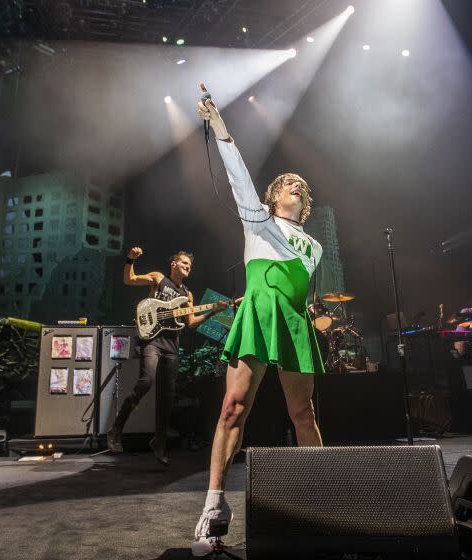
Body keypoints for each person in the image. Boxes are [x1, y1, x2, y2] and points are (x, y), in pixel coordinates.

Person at [193, 82, 325, 555]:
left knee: (303, 413)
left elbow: (304, 290)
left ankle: (322, 497)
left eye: (299, 184)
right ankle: (213, 506)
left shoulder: (316, 245)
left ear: (304, 201)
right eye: (286, 182)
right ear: (272, 196)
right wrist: (218, 124)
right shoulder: (257, 218)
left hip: (292, 323)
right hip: (257, 314)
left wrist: (312, 314)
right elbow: (237, 173)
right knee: (233, 408)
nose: (294, 184)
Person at [106, 247, 231, 465]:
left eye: (190, 266)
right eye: (184, 264)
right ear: (173, 264)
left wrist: (214, 311)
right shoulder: (158, 279)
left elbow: (190, 323)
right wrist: (130, 260)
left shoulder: (187, 294)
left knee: (167, 395)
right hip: (152, 340)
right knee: (146, 382)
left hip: (172, 345)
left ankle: (160, 442)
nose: (187, 268)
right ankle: (116, 430)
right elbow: (130, 279)